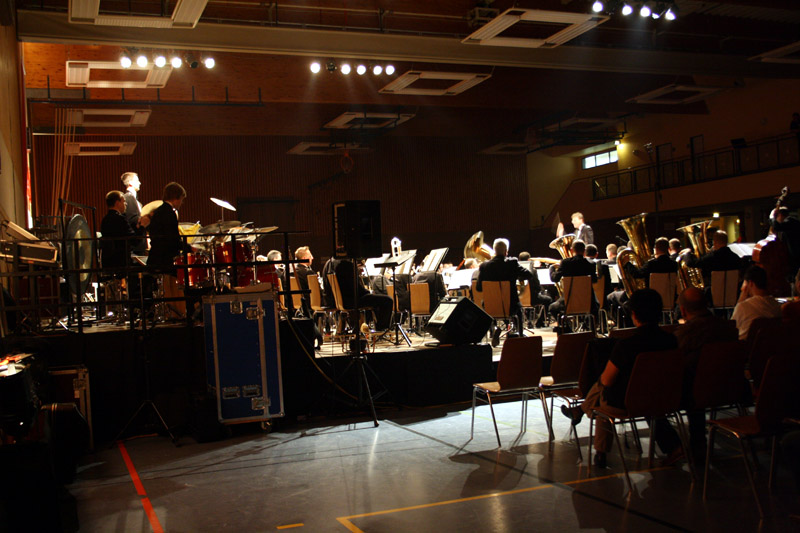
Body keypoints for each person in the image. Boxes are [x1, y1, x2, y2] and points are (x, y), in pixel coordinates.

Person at [564, 289, 682, 468]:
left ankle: (599, 451)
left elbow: (607, 381)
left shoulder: (626, 345)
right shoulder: (672, 341)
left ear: (633, 314)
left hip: (630, 402)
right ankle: (673, 447)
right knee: (639, 397)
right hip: (665, 397)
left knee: (602, 394)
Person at [674, 287, 739, 464]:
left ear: (683, 310)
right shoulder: (729, 327)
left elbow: (676, 359)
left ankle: (677, 447)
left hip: (696, 393)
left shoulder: (686, 333)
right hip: (732, 387)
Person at [477, 238, 533, 339]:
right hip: (511, 306)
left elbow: (479, 288)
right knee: (519, 309)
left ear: (494, 251)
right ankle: (520, 334)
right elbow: (529, 275)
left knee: (486, 304)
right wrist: (517, 276)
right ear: (506, 251)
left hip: (490, 306)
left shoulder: (484, 266)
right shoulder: (512, 263)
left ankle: (493, 329)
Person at [333, 258, 393, 332]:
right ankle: (382, 328)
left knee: (376, 300)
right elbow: (356, 289)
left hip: (346, 300)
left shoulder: (339, 266)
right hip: (353, 300)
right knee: (388, 300)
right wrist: (368, 292)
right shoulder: (348, 266)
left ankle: (378, 327)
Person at [548, 239, 598, 325]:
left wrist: (551, 268)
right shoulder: (591, 264)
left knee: (552, 308)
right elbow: (594, 280)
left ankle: (568, 327)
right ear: (584, 250)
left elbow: (554, 279)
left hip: (569, 301)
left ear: (572, 250)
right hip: (589, 302)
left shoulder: (565, 263)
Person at [147, 182, 191, 273]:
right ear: (176, 198)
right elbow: (173, 239)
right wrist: (190, 248)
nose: (181, 203)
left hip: (155, 257)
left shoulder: (158, 211)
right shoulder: (170, 213)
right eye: (181, 199)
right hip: (165, 260)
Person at [100, 191, 148, 271]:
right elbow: (134, 241)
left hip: (108, 262)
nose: (126, 204)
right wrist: (142, 226)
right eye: (124, 201)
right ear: (117, 203)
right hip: (121, 262)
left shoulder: (105, 220)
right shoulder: (120, 219)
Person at [732, 265, 782, 340]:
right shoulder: (776, 305)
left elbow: (731, 329)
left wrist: (740, 300)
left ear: (750, 283)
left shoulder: (743, 307)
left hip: (746, 346)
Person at [121, 172, 148, 254]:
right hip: (134, 245)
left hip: (139, 244)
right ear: (130, 183)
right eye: (137, 181)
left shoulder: (136, 201)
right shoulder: (128, 198)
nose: (140, 183)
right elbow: (132, 220)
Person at [770, 205, 800, 278]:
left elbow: (777, 226)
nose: (777, 220)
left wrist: (772, 217)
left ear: (780, 215)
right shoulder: (789, 223)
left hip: (796, 256)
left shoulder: (790, 221)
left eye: (776, 217)